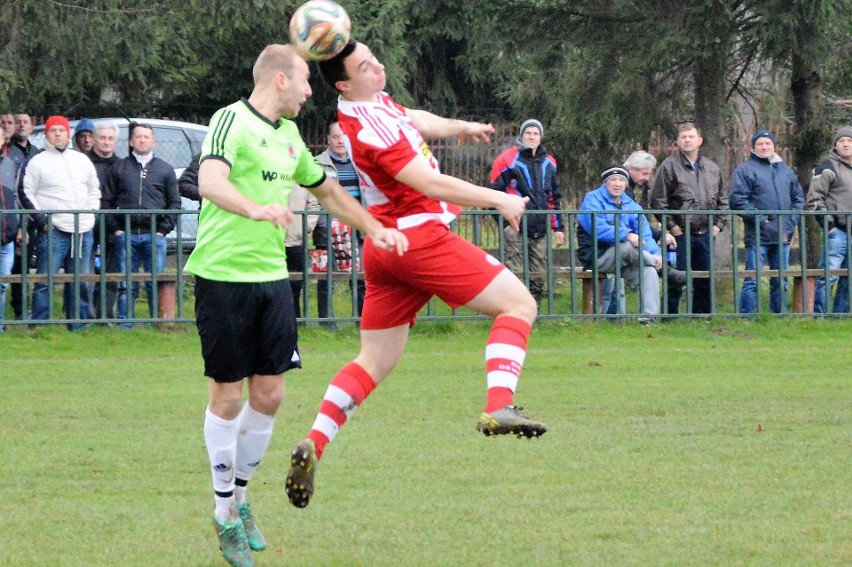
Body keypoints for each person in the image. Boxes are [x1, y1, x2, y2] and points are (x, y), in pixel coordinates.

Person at [284, 40, 547, 513]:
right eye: (366, 66)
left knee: (373, 361)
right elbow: (429, 184)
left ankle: (313, 444)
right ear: (343, 83)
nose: (379, 66)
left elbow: (414, 118)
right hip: (418, 240)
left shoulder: (363, 104)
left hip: (386, 248)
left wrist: (458, 127)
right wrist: (498, 198)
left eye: (375, 56)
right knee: (519, 304)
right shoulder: (370, 132)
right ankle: (499, 405)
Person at [183, 44, 407, 567]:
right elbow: (211, 181)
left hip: (273, 282)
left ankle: (240, 499)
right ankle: (223, 515)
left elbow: (327, 191)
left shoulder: (289, 139)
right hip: (222, 278)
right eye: (306, 80)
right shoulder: (229, 121)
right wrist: (255, 208)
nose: (312, 91)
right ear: (280, 79)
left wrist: (376, 227)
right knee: (227, 400)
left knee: (271, 395)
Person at [21, 115, 100, 330]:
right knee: (45, 280)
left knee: (80, 280)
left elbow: (94, 188)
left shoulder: (81, 160)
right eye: (53, 130)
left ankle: (79, 325)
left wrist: (91, 213)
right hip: (53, 230)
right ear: (46, 134)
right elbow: (25, 193)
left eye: (61, 130)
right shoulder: (37, 161)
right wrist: (42, 222)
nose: (58, 134)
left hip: (83, 230)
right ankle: (40, 325)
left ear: (68, 133)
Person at [577, 167, 683, 318]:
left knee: (649, 272)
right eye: (613, 180)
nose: (617, 184)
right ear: (605, 183)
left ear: (626, 184)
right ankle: (664, 270)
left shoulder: (631, 205)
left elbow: (645, 232)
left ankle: (648, 319)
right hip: (598, 257)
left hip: (627, 260)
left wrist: (656, 254)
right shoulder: (592, 199)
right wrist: (626, 234)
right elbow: (596, 227)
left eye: (621, 180)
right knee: (627, 246)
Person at [102, 123, 180, 326]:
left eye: (146, 137)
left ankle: (158, 322)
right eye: (138, 137)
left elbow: (174, 203)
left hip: (155, 236)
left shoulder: (165, 169)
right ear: (131, 142)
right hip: (125, 235)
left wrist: (163, 231)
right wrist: (116, 230)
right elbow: (106, 202)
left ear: (154, 142)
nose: (142, 140)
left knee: (154, 281)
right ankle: (125, 323)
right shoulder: (119, 168)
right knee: (126, 283)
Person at [651, 123, 728, 314]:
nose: (687, 140)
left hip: (705, 234)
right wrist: (672, 227)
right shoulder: (668, 166)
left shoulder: (711, 168)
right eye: (683, 137)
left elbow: (723, 201)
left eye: (691, 136)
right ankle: (670, 317)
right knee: (675, 278)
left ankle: (702, 318)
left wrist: (718, 226)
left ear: (699, 141)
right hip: (680, 235)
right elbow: (658, 201)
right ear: (678, 141)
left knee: (704, 280)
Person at [489, 118, 564, 308]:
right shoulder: (507, 159)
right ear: (521, 136)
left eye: (536, 133)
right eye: (528, 133)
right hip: (514, 225)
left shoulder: (550, 162)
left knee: (538, 273)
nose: (532, 136)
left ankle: (532, 311)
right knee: (514, 271)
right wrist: (505, 223)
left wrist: (558, 227)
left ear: (541, 137)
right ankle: (511, 310)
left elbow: (553, 197)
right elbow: (492, 195)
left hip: (539, 226)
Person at [729, 130, 804, 313]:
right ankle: (746, 317)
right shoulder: (745, 170)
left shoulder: (785, 171)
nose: (764, 147)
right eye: (760, 144)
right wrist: (761, 220)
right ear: (753, 148)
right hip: (757, 235)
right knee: (752, 279)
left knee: (781, 280)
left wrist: (790, 221)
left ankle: (779, 317)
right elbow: (737, 200)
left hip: (783, 235)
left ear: (774, 146)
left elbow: (799, 199)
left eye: (767, 143)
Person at [602, 151, 678, 316]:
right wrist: (659, 235)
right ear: (632, 170)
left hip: (617, 245)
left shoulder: (628, 191)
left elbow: (639, 224)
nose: (647, 177)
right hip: (610, 247)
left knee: (618, 285)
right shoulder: (621, 190)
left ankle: (622, 320)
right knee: (613, 285)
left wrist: (656, 236)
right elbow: (632, 225)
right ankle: (664, 268)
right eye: (645, 173)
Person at [314, 121, 366, 320]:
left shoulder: (360, 164)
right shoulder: (318, 163)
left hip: (356, 227)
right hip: (328, 228)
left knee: (360, 276)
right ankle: (325, 321)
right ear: (328, 140)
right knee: (326, 277)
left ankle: (362, 320)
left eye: (343, 136)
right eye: (335, 137)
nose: (340, 141)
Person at [808, 126, 852, 314]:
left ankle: (842, 315)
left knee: (848, 278)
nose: (846, 144)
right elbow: (814, 200)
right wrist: (830, 227)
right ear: (835, 145)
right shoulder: (827, 167)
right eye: (842, 141)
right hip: (838, 232)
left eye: (850, 141)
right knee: (829, 276)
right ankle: (822, 315)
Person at [9, 112, 42, 320]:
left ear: (32, 126)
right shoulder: (7, 151)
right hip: (11, 217)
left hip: (30, 221)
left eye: (25, 122)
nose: (21, 125)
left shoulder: (37, 153)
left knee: (22, 267)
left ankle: (22, 310)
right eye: (17, 122)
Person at [87, 121, 120, 319]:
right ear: (93, 139)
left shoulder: (122, 165)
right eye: (103, 138)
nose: (106, 142)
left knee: (111, 275)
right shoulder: (83, 162)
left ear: (116, 142)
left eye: (110, 138)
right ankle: (85, 315)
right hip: (87, 225)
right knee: (85, 274)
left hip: (113, 227)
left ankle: (105, 316)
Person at [285, 182, 321, 320]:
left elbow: (314, 204)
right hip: (270, 240)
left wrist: (305, 227)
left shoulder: (301, 178)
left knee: (296, 285)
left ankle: (296, 319)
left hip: (296, 240)